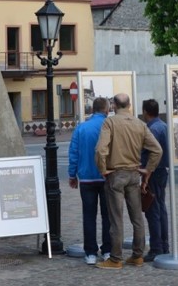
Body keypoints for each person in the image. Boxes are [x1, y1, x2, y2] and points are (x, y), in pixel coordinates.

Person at [94, 93, 162, 269]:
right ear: (129, 105)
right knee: (137, 218)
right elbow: (157, 150)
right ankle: (137, 256)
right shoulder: (140, 124)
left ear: (115, 105)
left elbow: (101, 149)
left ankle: (116, 259)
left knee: (116, 219)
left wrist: (102, 169)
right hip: (134, 174)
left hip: (116, 174)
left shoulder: (110, 122)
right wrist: (148, 169)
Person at [68, 97, 112, 265]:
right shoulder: (109, 126)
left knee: (89, 215)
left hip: (86, 178)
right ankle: (107, 250)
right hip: (106, 176)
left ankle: (91, 253)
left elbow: (74, 153)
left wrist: (72, 175)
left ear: (92, 109)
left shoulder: (81, 128)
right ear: (106, 110)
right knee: (108, 216)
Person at [141, 99, 170, 262]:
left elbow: (151, 154)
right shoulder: (164, 126)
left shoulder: (152, 129)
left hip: (153, 172)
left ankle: (156, 248)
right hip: (162, 171)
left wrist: (145, 175)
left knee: (153, 211)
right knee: (161, 209)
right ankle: (164, 245)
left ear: (145, 111)